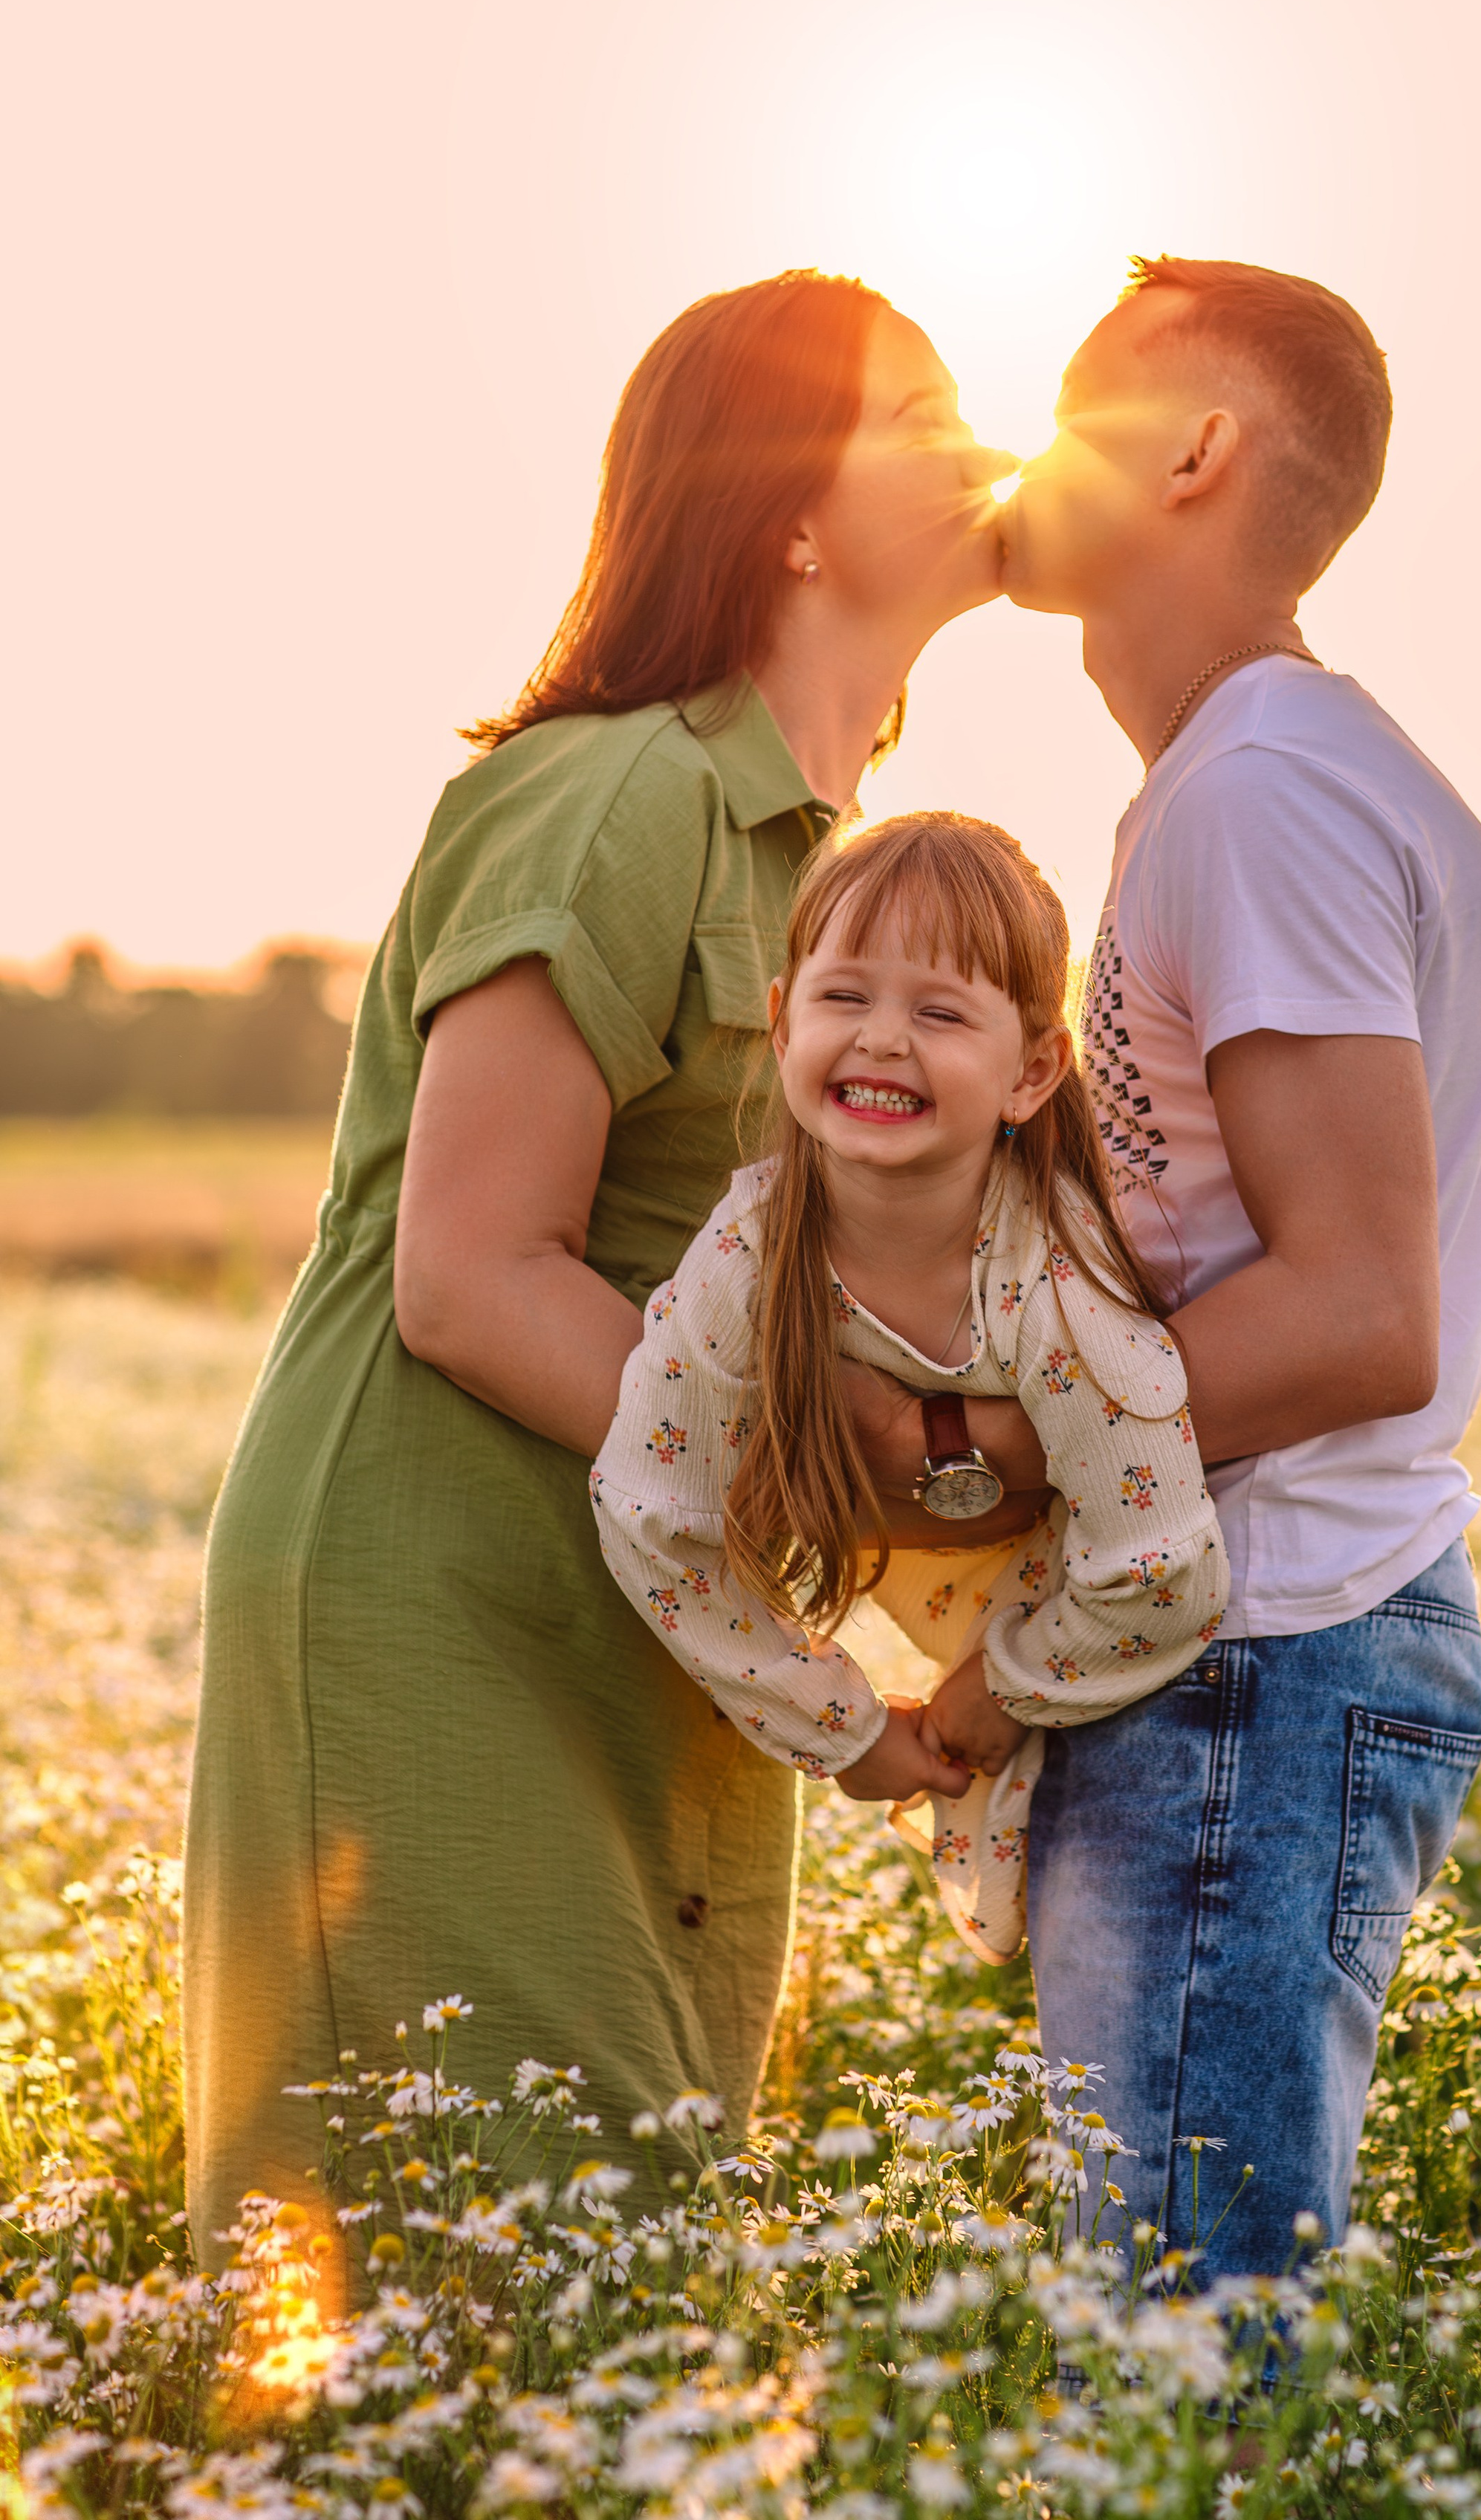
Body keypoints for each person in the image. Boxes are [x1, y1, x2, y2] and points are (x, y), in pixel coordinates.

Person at [183, 270, 1013, 2276]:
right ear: (788, 511)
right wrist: (845, 1478)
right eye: (916, 413)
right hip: (446, 1601)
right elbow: (472, 1278)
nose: (977, 449)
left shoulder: (835, 866)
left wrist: (887, 1630)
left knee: (634, 2286)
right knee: (504, 2289)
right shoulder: (616, 790)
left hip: (659, 1626)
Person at [878, 256, 1481, 2274]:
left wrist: (986, 1441)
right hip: (1246, 1650)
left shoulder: (1262, 792)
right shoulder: (1247, 783)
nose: (1010, 451)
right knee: (1163, 2334)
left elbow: (1353, 1315)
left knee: (1179, 2367)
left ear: (1196, 451)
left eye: (1066, 405)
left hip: (1263, 1667)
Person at [590, 812, 1228, 1966]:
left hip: (1088, 1631)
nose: (883, 1040)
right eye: (845, 999)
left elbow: (1161, 1567)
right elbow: (652, 1513)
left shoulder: (1061, 1285)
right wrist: (838, 1725)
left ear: (1032, 1070)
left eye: (939, 1013)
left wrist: (1003, 1686)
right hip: (903, 1598)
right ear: (780, 1024)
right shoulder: (746, 1258)